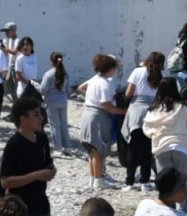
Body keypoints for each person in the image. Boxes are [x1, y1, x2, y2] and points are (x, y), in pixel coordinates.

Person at [78, 54, 125, 191]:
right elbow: (107, 105)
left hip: (88, 113)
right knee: (99, 149)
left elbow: (81, 87)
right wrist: (124, 111)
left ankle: (94, 178)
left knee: (92, 149)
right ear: (110, 68)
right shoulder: (105, 83)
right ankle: (99, 180)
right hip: (98, 116)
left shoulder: (94, 79)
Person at [143, 78, 187, 191]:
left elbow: (146, 129)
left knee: (165, 183)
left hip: (160, 147)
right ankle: (181, 207)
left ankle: (167, 206)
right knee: (182, 182)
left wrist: (154, 134)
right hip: (180, 146)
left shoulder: (154, 108)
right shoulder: (185, 107)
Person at [121, 52, 164, 190]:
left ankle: (129, 181)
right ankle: (145, 180)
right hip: (151, 111)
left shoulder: (138, 71)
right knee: (147, 148)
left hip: (136, 110)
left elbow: (128, 93)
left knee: (133, 147)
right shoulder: (159, 76)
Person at [40, 52, 73, 154]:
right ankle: (67, 146)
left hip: (52, 101)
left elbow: (43, 89)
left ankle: (57, 147)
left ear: (51, 62)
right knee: (63, 123)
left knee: (54, 124)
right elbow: (69, 90)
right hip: (63, 100)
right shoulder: (65, 73)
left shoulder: (48, 74)